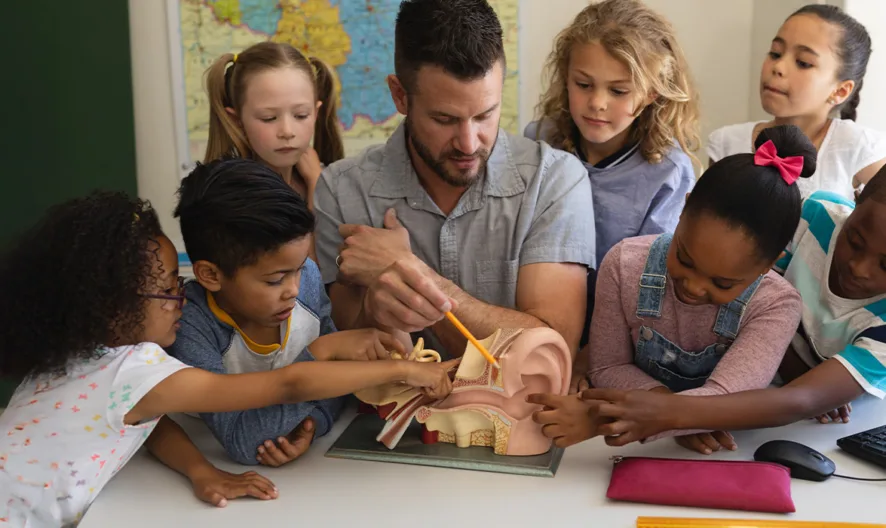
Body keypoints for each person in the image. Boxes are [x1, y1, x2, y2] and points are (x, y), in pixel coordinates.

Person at [0, 191, 455, 526]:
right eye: (168, 289)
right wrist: (405, 368)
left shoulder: (77, 356)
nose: (182, 298)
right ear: (114, 306)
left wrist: (200, 471)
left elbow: (151, 423)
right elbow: (288, 384)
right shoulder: (137, 369)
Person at [313, 0, 595, 384]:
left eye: (485, 115)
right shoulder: (341, 191)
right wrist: (372, 317)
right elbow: (341, 359)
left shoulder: (556, 180)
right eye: (444, 119)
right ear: (399, 96)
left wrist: (409, 272)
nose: (468, 143)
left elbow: (550, 353)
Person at [529, 125, 813, 454]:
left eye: (722, 283)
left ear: (770, 263)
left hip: (734, 453)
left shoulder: (777, 305)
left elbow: (729, 399)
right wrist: (667, 417)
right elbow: (607, 367)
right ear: (683, 209)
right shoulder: (624, 265)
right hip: (650, 446)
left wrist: (637, 417)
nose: (693, 286)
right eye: (684, 258)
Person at [578, 164, 886, 448]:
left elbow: (800, 397)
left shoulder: (777, 300)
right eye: (855, 241)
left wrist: (672, 415)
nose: (860, 268)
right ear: (856, 200)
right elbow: (755, 306)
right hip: (748, 391)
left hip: (795, 417)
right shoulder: (813, 216)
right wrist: (685, 416)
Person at [166, 158, 411, 467]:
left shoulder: (304, 278)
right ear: (210, 276)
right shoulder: (190, 323)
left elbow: (340, 388)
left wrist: (312, 424)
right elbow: (243, 443)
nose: (294, 289)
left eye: (298, 269)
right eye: (274, 280)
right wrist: (320, 354)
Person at [525, 0, 699, 362]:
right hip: (535, 325)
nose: (597, 103)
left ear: (652, 93)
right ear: (565, 76)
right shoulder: (537, 141)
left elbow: (651, 285)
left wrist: (593, 357)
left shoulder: (668, 172)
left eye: (618, 91)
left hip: (623, 341)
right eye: (583, 84)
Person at [707, 4, 886, 201]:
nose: (778, 67)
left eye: (803, 63)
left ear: (840, 90)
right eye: (775, 53)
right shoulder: (728, 143)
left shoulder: (857, 147)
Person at [203, 41, 344, 212]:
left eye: (301, 115)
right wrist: (316, 183)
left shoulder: (331, 178)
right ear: (236, 120)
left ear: (315, 113)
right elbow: (309, 239)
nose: (287, 132)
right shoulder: (230, 198)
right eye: (268, 118)